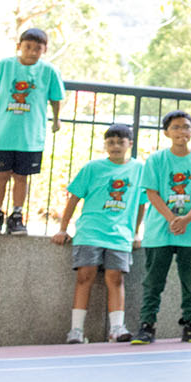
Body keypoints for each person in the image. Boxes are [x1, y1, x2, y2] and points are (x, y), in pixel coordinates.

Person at [51, 125, 142, 344]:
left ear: (130, 144)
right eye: (111, 142)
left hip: (120, 234)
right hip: (90, 231)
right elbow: (73, 198)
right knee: (85, 276)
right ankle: (76, 330)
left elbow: (142, 203)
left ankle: (117, 328)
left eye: (121, 142)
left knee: (116, 278)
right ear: (105, 145)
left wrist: (137, 232)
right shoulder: (92, 167)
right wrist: (63, 228)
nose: (116, 146)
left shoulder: (139, 169)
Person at [0, 27, 65, 234]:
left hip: (30, 136)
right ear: (19, 47)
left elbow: (56, 99)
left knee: (22, 176)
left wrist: (57, 119)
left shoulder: (49, 71)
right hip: (3, 132)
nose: (32, 52)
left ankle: (17, 215)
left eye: (37, 49)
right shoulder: (4, 66)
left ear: (45, 50)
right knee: (0, 174)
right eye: (28, 47)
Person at [135, 109, 191, 345]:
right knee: (153, 281)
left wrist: (187, 218)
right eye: (175, 127)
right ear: (167, 132)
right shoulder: (156, 160)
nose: (181, 131)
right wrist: (172, 218)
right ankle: (146, 326)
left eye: (185, 126)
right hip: (159, 231)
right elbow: (152, 192)